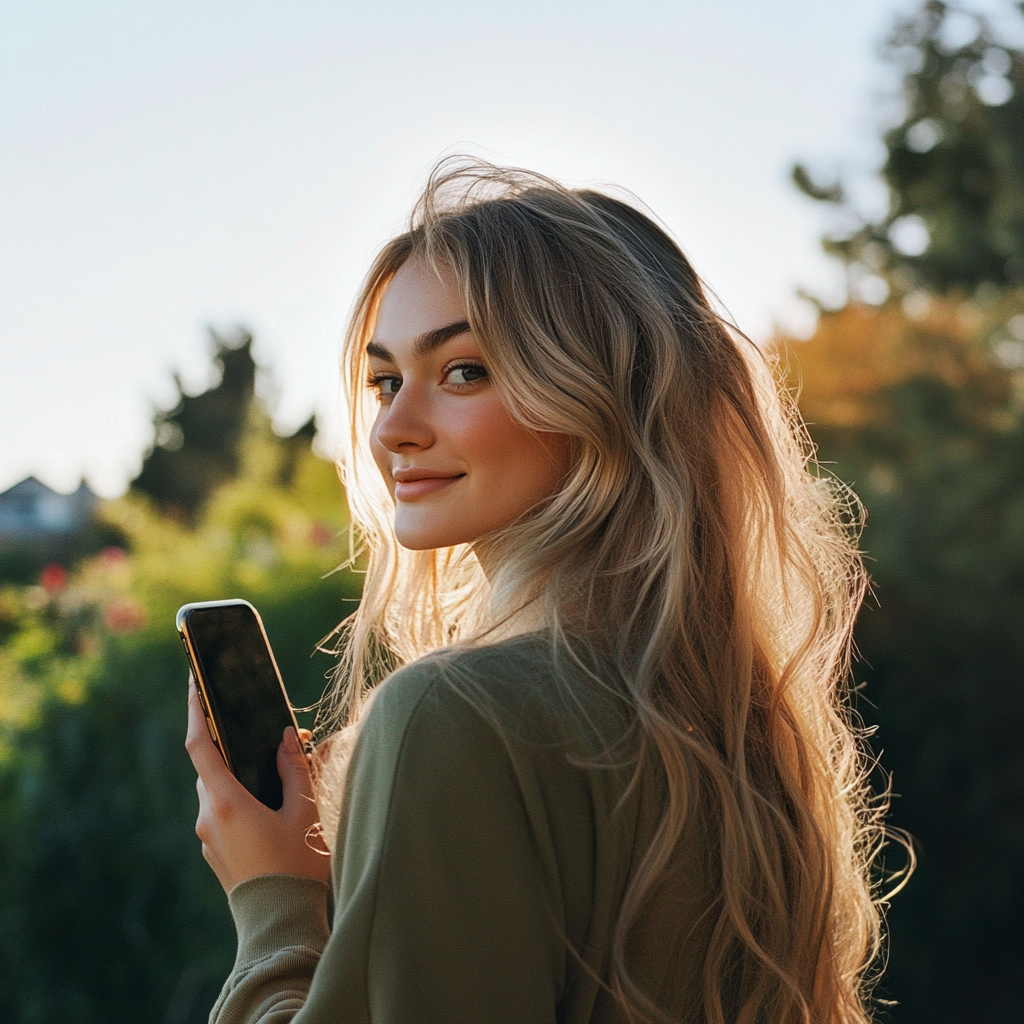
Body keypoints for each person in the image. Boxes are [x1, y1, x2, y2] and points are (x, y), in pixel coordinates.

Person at [186, 159, 889, 1023]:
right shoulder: (744, 735)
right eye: (384, 381)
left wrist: (275, 902)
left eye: (464, 371)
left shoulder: (452, 715)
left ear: (599, 394)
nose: (394, 431)